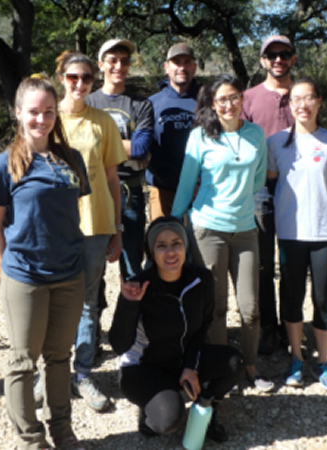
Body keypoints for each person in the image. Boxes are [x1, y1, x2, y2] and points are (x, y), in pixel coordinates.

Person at [0, 76, 89, 450]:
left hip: (69, 275)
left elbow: (71, 209)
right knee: (23, 361)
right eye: (33, 112)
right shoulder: (3, 164)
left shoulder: (70, 158)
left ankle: (62, 430)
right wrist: (7, 257)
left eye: (48, 112)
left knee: (59, 358)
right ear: (18, 113)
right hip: (25, 276)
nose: (41, 119)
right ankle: (31, 438)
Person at [172, 73, 272, 392]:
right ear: (212, 105)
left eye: (234, 97)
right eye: (222, 99)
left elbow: (258, 180)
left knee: (251, 307)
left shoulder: (256, 134)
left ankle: (251, 366)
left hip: (245, 230)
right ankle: (222, 365)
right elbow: (188, 183)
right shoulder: (201, 137)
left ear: (242, 99)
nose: (228, 104)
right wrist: (172, 223)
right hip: (208, 229)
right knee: (215, 307)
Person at [109, 216, 243, 442]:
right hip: (144, 368)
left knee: (232, 362)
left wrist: (191, 366)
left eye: (176, 243)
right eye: (161, 246)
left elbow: (203, 328)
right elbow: (119, 345)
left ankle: (206, 411)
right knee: (168, 421)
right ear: (152, 251)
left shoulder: (201, 279)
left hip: (181, 360)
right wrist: (128, 304)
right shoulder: (139, 285)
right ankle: (149, 408)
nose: (170, 252)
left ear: (185, 246)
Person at [55, 50, 127, 412]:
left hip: (96, 223)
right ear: (61, 79)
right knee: (50, 300)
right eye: (72, 77)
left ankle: (82, 373)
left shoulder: (103, 122)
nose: (80, 84)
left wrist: (117, 228)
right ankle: (51, 374)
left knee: (87, 302)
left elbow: (113, 178)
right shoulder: (47, 119)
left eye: (86, 78)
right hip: (54, 225)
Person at [267, 77, 327, 391]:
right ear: (289, 104)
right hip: (289, 233)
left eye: (308, 98)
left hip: (324, 232)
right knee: (292, 296)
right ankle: (297, 358)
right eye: (296, 99)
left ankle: (323, 362)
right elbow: (271, 185)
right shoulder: (275, 142)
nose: (302, 104)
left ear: (319, 102)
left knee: (322, 299)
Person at [241, 35, 296, 355]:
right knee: (261, 264)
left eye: (284, 54)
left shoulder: (303, 96)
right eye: (271, 55)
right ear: (262, 61)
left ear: (292, 58)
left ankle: (291, 326)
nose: (278, 59)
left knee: (291, 263)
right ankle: (267, 328)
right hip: (258, 189)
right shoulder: (247, 99)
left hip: (296, 190)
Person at [86, 38, 154, 279]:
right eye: (112, 60)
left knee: (133, 267)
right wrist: (125, 146)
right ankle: (92, 316)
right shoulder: (88, 102)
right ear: (101, 64)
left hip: (130, 193)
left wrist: (97, 143)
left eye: (124, 61)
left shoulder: (141, 104)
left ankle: (133, 316)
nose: (119, 66)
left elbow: (141, 149)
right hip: (93, 192)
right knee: (92, 271)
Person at [147, 43, 200, 219]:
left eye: (187, 62)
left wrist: (198, 182)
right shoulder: (151, 104)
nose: (182, 67)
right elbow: (147, 146)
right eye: (176, 62)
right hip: (163, 189)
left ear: (195, 67)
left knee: (199, 245)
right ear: (167, 67)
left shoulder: (209, 100)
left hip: (202, 189)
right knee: (163, 241)